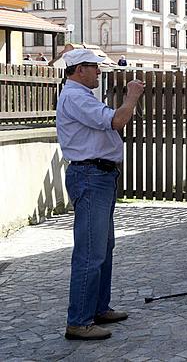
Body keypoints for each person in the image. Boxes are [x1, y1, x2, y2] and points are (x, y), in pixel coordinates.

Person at [57, 48, 144, 340]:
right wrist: (132, 96)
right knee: (90, 251)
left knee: (104, 248)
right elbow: (117, 121)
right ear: (79, 69)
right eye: (95, 67)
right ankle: (79, 320)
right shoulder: (75, 97)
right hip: (90, 176)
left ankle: (97, 308)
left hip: (99, 175)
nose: (99, 72)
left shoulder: (81, 96)